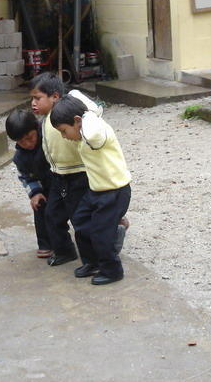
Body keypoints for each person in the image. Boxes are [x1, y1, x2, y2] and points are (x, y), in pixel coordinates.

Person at [29, 72, 123, 267]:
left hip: (79, 174)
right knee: (52, 215)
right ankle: (65, 251)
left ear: (55, 96)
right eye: (32, 98)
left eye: (38, 98)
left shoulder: (72, 111)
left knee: (81, 217)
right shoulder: (47, 120)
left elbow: (94, 111)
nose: (33, 103)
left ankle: (104, 247)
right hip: (58, 176)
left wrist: (75, 94)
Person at [50, 94, 132, 285]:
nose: (64, 136)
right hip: (96, 190)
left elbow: (93, 132)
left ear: (78, 121)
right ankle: (92, 262)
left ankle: (112, 271)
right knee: (80, 221)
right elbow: (76, 94)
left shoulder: (96, 130)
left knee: (100, 233)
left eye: (64, 131)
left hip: (115, 191)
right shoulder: (83, 129)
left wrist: (87, 116)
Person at [5, 109, 53, 258]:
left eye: (30, 137)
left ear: (37, 128)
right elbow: (26, 177)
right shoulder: (20, 158)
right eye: (21, 141)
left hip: (62, 182)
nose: (27, 144)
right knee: (39, 205)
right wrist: (35, 192)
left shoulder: (49, 139)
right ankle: (46, 244)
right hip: (44, 187)